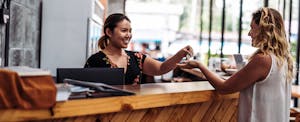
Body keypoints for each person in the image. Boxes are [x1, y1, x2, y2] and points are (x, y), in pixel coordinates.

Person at [177, 7, 294, 122]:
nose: (249, 33)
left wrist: (199, 65)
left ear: (265, 31)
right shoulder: (286, 60)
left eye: (252, 28)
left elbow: (224, 88)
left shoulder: (263, 60)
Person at [84, 13, 193, 85]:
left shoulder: (137, 58)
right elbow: (84, 90)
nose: (129, 35)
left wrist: (180, 54)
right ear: (108, 32)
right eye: (124, 30)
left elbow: (161, 68)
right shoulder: (94, 61)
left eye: (130, 31)